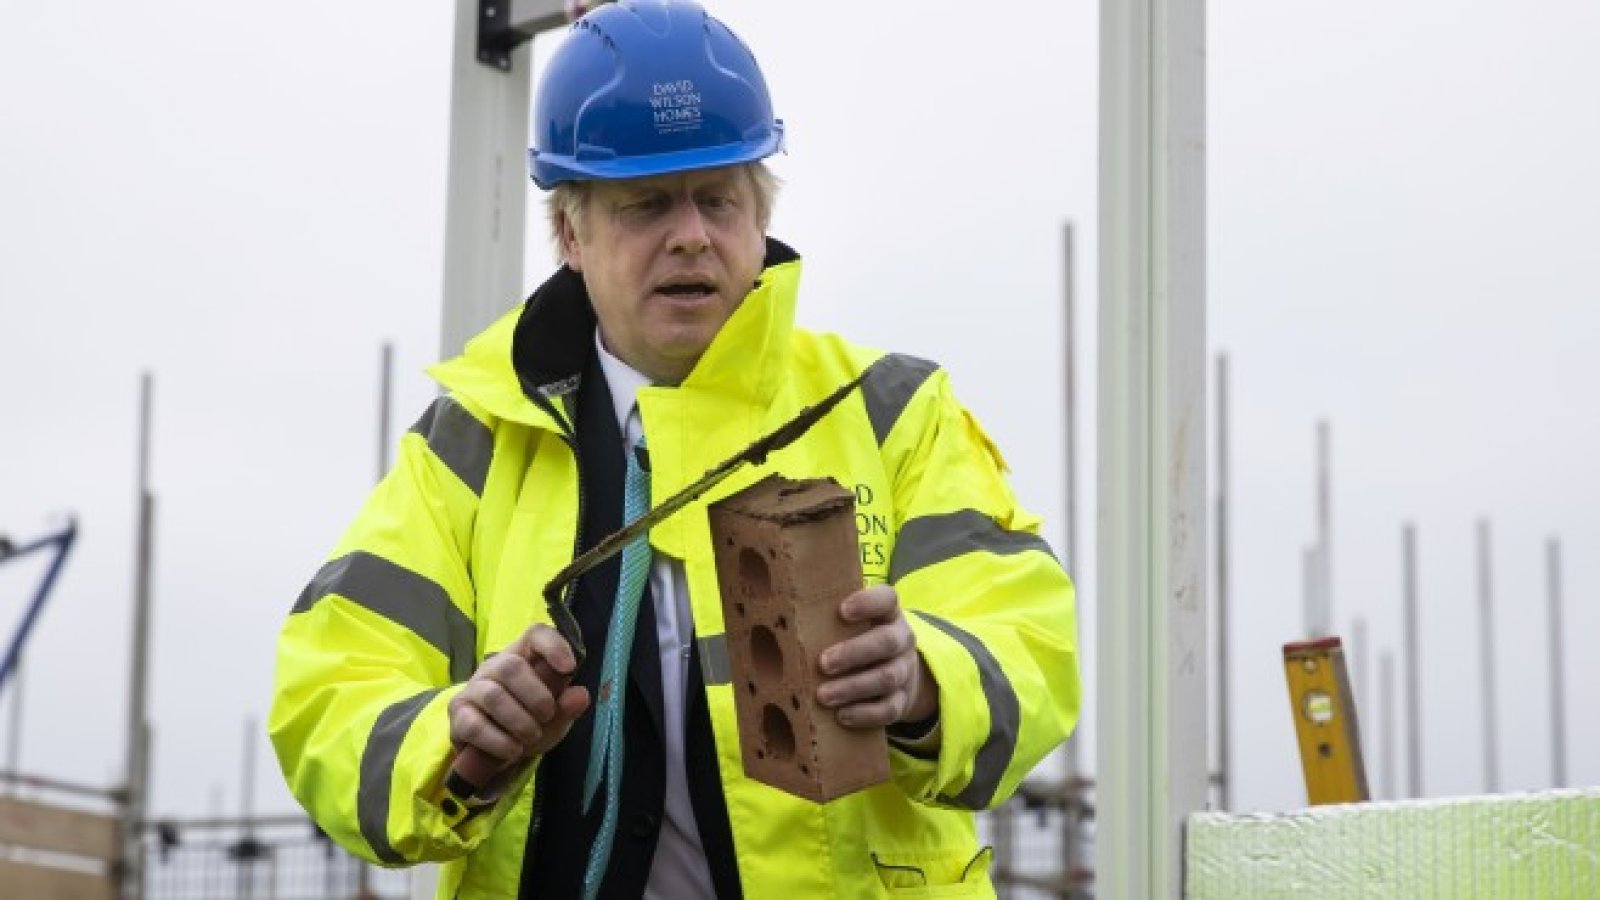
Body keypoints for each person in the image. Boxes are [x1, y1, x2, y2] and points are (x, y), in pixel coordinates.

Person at [269, 2, 1079, 897]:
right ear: (570, 235)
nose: (691, 234)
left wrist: (924, 680)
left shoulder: (890, 412)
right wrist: (451, 739)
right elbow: (329, 694)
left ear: (759, 216)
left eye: (718, 199)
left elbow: (1028, 640)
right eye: (647, 203)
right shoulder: (469, 445)